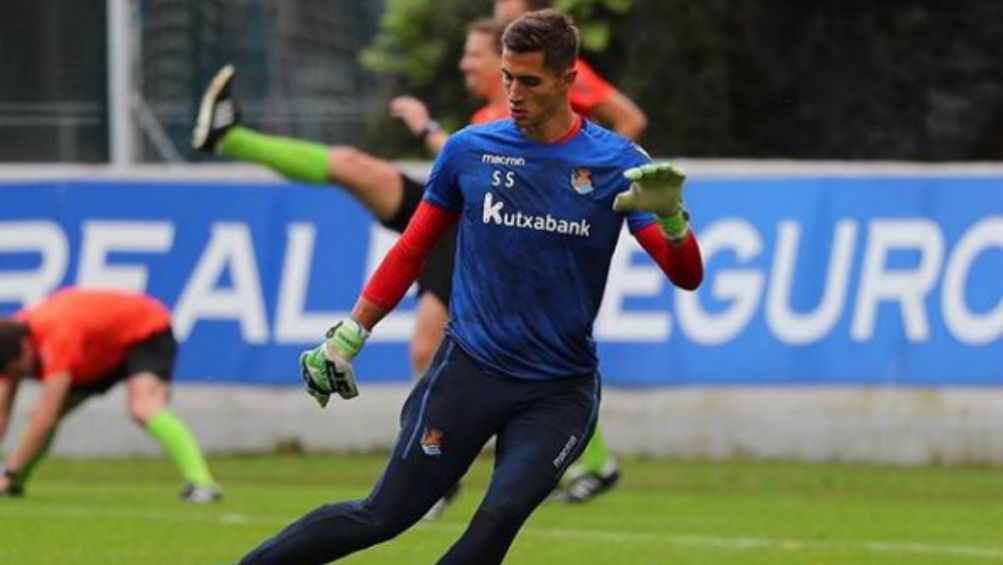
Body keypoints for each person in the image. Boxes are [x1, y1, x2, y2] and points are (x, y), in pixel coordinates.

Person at [230, 10, 702, 565]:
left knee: (495, 522)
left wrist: (673, 222)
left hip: (558, 392)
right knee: (382, 516)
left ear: (569, 80)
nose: (514, 94)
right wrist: (350, 334)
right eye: (507, 77)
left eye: (530, 81)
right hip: (468, 373)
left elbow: (686, 274)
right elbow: (413, 248)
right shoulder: (469, 151)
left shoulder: (616, 164)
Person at [194, 17, 509, 519]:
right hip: (453, 216)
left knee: (444, 347)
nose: (465, 62)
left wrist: (427, 128)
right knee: (350, 165)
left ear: (504, 60)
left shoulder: (520, 112)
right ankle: (228, 138)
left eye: (475, 54)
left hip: (483, 232)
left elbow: (481, 164)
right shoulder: (489, 113)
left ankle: (443, 470)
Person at [0, 287, 221, 502]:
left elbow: (46, 416)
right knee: (37, 417)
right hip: (97, 353)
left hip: (145, 331)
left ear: (26, 349)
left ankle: (201, 484)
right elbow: (3, 408)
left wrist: (7, 472)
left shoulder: (57, 337)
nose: (23, 376)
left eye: (20, 370)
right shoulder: (9, 340)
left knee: (143, 407)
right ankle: (14, 486)